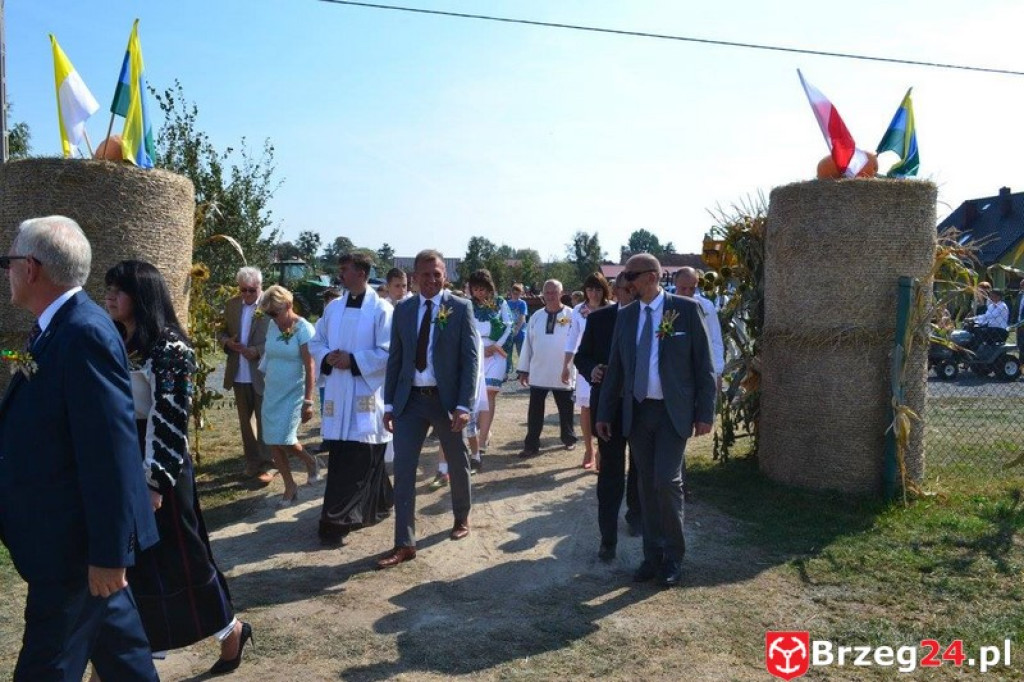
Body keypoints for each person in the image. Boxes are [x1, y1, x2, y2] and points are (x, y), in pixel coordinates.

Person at [0, 216, 159, 680]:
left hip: (72, 546)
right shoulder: (57, 327)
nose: (5, 273)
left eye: (6, 263)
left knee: (45, 667)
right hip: (70, 537)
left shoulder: (82, 332)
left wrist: (109, 554)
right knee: (123, 657)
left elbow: (110, 448)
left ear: (30, 268)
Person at [103, 260, 251, 676]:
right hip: (126, 460)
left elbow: (170, 419)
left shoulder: (169, 348)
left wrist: (154, 482)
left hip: (160, 468)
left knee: (183, 559)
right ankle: (137, 652)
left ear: (143, 295)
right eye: (108, 287)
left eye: (119, 289)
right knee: (137, 564)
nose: (109, 295)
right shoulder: (117, 339)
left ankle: (230, 630)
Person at [596, 253, 716, 588]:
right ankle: (653, 556)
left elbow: (703, 365)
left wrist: (705, 412)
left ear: (651, 276)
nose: (625, 283)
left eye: (630, 276)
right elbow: (616, 367)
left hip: (672, 413)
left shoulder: (687, 310)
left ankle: (674, 556)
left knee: (666, 480)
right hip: (638, 412)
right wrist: (605, 413)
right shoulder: (627, 316)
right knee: (645, 486)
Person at [378, 249, 480, 569]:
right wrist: (391, 403)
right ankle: (404, 543)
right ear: (414, 277)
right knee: (404, 469)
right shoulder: (404, 310)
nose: (432, 279)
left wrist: (464, 405)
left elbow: (471, 360)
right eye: (425, 274)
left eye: (437, 274)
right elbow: (396, 358)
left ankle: (461, 516)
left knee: (458, 462)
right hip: (411, 402)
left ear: (444, 276)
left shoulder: (460, 308)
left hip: (446, 402)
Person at [310, 253, 395, 546]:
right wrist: (327, 357)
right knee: (344, 455)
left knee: (363, 454)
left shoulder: (381, 309)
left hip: (363, 392)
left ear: (361, 273)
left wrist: (354, 360)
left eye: (344, 270)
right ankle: (380, 503)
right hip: (337, 388)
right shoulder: (333, 308)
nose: (340, 275)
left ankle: (336, 519)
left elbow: (388, 351)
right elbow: (316, 340)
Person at [574, 274, 642, 561]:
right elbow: (581, 356)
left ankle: (636, 517)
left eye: (636, 290)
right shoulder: (600, 319)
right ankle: (608, 538)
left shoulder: (651, 318)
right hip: (609, 408)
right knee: (611, 473)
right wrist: (593, 370)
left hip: (642, 407)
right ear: (616, 291)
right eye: (627, 290)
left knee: (640, 468)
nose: (633, 295)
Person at [259, 285, 321, 506]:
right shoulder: (273, 326)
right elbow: (269, 356)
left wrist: (308, 401)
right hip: (272, 391)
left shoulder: (303, 329)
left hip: (293, 392)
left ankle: (310, 461)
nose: (273, 318)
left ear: (288, 305)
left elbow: (310, 366)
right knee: (272, 441)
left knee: (285, 438)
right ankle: (289, 485)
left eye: (275, 313)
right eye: (269, 314)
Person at [218, 267, 274, 484]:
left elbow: (279, 336)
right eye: (244, 290)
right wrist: (226, 342)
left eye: (253, 290)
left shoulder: (270, 305)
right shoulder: (232, 305)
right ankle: (252, 460)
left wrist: (257, 350)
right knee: (245, 421)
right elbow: (221, 331)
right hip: (238, 370)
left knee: (264, 419)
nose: (248, 294)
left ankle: (268, 462)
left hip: (261, 371)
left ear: (261, 286)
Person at [517, 279, 577, 458]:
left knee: (566, 408)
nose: (550, 296)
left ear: (561, 293)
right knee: (535, 411)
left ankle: (569, 439)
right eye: (547, 292)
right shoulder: (536, 316)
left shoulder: (572, 315)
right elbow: (527, 344)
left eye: (554, 292)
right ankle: (531, 444)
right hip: (539, 370)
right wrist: (524, 369)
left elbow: (577, 344)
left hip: (563, 370)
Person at [562, 272, 612, 470]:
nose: (594, 293)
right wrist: (566, 365)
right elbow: (572, 338)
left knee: (604, 407)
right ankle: (588, 449)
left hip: (605, 364)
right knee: (586, 407)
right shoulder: (578, 311)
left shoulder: (612, 309)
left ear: (604, 290)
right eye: (590, 289)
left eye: (598, 289)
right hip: (585, 364)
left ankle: (602, 450)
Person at [467, 268, 514, 472]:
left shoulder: (500, 303)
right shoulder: (466, 305)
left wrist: (497, 346)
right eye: (475, 289)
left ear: (489, 288)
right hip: (475, 351)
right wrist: (480, 347)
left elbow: (509, 325)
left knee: (489, 393)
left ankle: (483, 438)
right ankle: (476, 432)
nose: (479, 293)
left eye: (482, 289)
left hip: (496, 352)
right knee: (475, 395)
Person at [675, 268, 725, 389]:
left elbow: (715, 340)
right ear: (675, 284)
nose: (687, 292)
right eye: (683, 288)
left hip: (700, 369)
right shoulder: (666, 305)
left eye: (692, 288)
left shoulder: (706, 306)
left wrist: (717, 372)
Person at [315, 287, 343, 453]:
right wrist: (326, 356)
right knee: (326, 407)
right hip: (327, 371)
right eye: (328, 302)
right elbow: (316, 344)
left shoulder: (345, 320)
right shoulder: (320, 322)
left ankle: (338, 438)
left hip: (341, 371)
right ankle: (327, 437)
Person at [506, 283, 528, 375]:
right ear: (511, 293)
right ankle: (507, 371)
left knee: (521, 352)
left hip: (520, 332)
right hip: (509, 332)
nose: (516, 295)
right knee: (508, 353)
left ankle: (522, 372)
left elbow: (522, 317)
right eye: (514, 293)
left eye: (518, 293)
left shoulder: (522, 303)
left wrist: (517, 329)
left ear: (521, 293)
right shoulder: (507, 303)